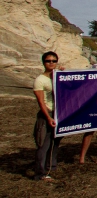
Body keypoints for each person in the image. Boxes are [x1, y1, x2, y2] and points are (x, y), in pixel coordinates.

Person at [33, 51, 61, 180]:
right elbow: (41, 101)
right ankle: (39, 173)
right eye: (48, 61)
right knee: (43, 144)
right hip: (46, 114)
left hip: (58, 113)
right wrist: (48, 117)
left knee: (55, 142)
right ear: (43, 63)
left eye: (54, 61)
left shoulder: (56, 76)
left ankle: (51, 166)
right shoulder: (40, 80)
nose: (51, 63)